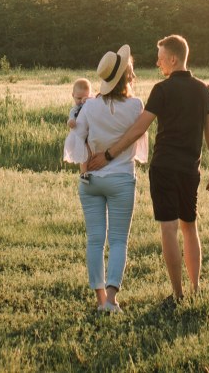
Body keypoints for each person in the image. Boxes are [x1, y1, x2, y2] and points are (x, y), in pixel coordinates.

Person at [96, 34, 209, 303]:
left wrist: (109, 154)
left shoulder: (161, 90)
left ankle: (177, 294)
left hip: (164, 167)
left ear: (173, 59)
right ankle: (196, 289)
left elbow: (139, 129)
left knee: (169, 229)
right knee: (190, 227)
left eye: (161, 58)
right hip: (191, 169)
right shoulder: (204, 89)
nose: (158, 63)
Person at [63, 46, 148, 313]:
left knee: (95, 240)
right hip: (122, 179)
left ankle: (100, 300)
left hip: (91, 180)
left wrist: (85, 168)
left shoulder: (89, 106)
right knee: (119, 239)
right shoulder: (135, 106)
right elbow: (138, 137)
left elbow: (79, 139)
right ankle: (111, 300)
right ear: (126, 77)